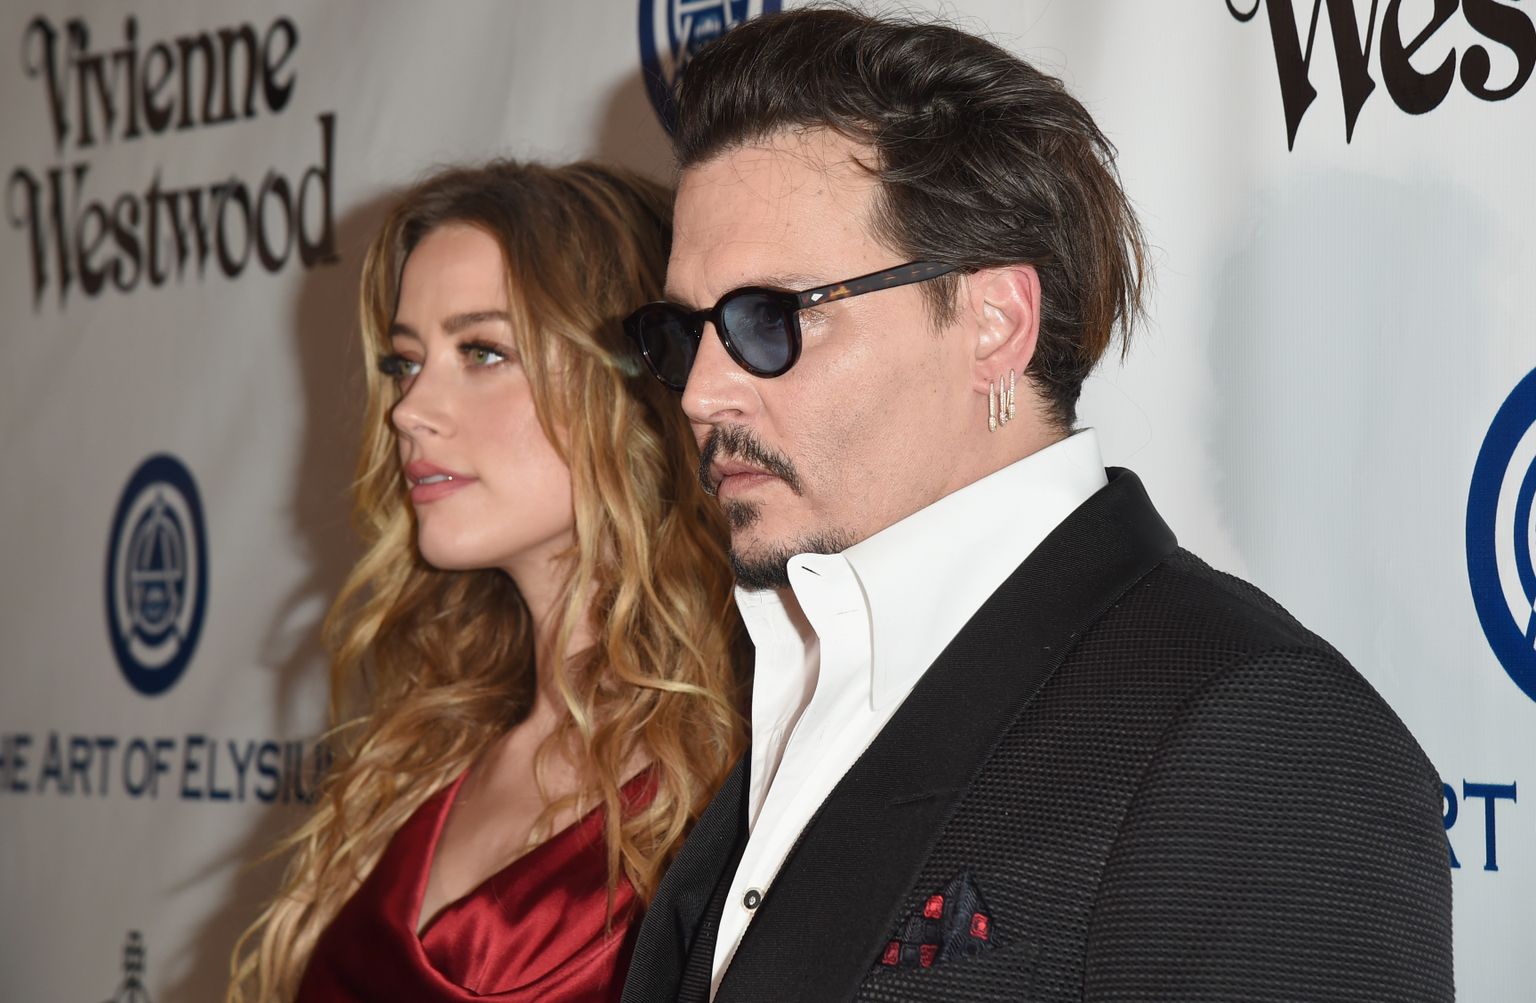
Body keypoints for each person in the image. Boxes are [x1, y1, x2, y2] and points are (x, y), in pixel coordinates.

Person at [619, 9, 1454, 1003]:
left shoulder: (1257, 733)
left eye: (768, 320)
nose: (701, 393)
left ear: (995, 323)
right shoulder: (804, 670)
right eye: (685, 333)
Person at [226, 160, 744, 1003]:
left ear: (631, 381)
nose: (408, 409)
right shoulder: (424, 756)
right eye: (405, 361)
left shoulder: (736, 787)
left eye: (482, 351)